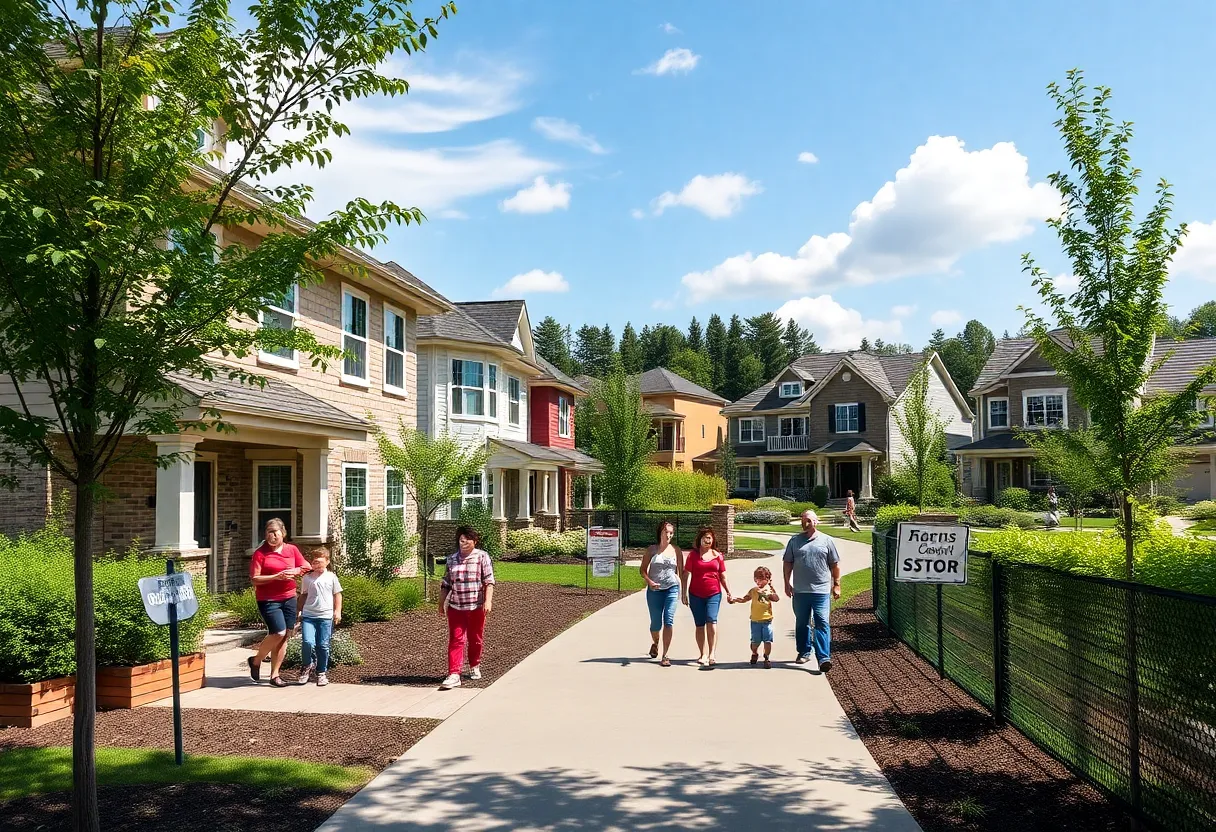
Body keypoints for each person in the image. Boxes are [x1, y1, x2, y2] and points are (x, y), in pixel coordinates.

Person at [248, 518, 309, 687]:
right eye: (269, 532)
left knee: (285, 636)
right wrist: (276, 576)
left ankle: (275, 675)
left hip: (289, 597)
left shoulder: (292, 550)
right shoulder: (260, 553)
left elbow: (306, 566)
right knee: (279, 632)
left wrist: (297, 569)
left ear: (283, 533)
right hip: (268, 600)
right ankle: (256, 660)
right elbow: (255, 579)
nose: (272, 536)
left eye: (275, 532)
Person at [783, 510, 842, 671]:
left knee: (822, 622)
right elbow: (787, 562)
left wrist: (836, 584)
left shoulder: (827, 541)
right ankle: (804, 651)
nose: (805, 523)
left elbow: (834, 565)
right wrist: (787, 583)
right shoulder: (794, 541)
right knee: (802, 623)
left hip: (821, 590)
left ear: (816, 522)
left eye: (808, 520)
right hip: (800, 591)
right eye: (803, 520)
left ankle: (823, 658)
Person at [439, 525, 495, 691]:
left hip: (476, 607)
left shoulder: (482, 557)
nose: (463, 543)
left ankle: (474, 664)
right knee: (457, 639)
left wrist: (487, 601)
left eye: (467, 540)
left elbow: (489, 581)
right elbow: (446, 583)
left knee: (475, 638)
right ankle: (454, 674)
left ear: (474, 541)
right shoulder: (452, 559)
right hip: (456, 607)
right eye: (461, 540)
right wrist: (441, 603)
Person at [681, 526, 733, 667]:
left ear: (713, 540)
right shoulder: (693, 555)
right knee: (699, 625)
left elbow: (723, 575)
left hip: (714, 593)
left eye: (710, 538)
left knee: (711, 621)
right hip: (695, 594)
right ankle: (702, 654)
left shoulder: (718, 556)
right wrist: (683, 593)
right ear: (700, 539)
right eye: (705, 537)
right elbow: (685, 574)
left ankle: (712, 654)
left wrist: (728, 592)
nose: (707, 540)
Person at [295, 546, 343, 687]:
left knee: (323, 645)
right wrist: (299, 611)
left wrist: (337, 611)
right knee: (308, 642)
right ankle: (306, 666)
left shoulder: (331, 577)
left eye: (320, 562)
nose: (317, 565)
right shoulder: (307, 578)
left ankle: (321, 672)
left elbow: (337, 594)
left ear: (327, 561)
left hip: (325, 616)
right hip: (309, 615)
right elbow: (303, 595)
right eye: (315, 562)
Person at [641, 519, 684, 667]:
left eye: (671, 533)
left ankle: (665, 655)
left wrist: (683, 593)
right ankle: (655, 642)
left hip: (671, 589)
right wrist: (649, 581)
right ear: (660, 532)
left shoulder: (676, 550)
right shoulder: (652, 550)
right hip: (655, 591)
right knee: (655, 623)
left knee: (669, 620)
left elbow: (681, 572)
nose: (669, 535)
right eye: (666, 532)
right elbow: (642, 570)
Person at [729, 565, 780, 668]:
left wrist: (768, 593)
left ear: (767, 579)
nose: (758, 582)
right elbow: (745, 599)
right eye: (756, 579)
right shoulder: (753, 591)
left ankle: (767, 658)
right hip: (755, 620)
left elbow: (776, 598)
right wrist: (734, 600)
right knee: (755, 642)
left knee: (768, 640)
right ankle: (755, 653)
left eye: (761, 579)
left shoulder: (769, 590)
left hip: (767, 620)